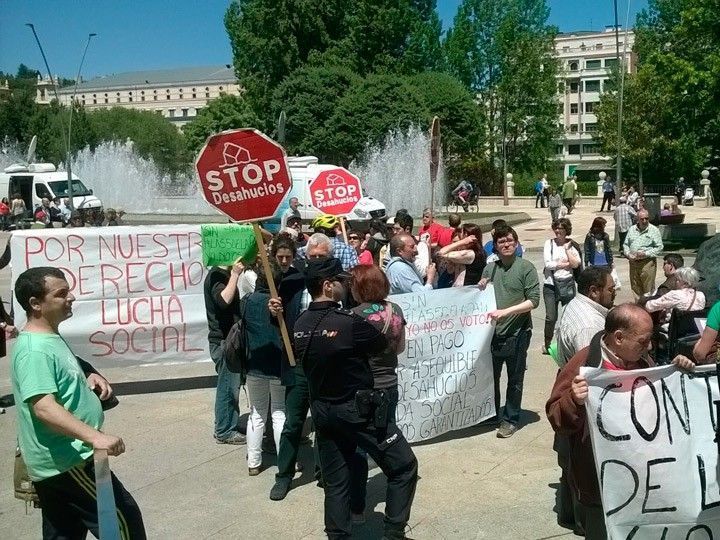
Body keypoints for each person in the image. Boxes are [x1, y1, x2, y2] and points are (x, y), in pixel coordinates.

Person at [11, 267, 146, 538]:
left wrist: (88, 372)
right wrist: (95, 437)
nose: (70, 297)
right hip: (70, 460)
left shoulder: (48, 337)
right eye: (61, 294)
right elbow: (43, 407)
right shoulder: (34, 351)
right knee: (123, 524)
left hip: (57, 462)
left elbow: (60, 369)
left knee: (63, 532)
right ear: (35, 304)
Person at [294, 257, 418, 539]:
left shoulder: (300, 323)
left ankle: (337, 535)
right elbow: (379, 345)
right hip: (356, 411)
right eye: (339, 281)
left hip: (323, 411)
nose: (344, 285)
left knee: (336, 481)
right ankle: (394, 531)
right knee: (404, 465)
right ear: (327, 285)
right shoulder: (347, 322)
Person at [547, 304, 694, 538]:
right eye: (643, 341)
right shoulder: (585, 362)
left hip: (643, 482)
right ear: (618, 338)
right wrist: (573, 400)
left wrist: (679, 373)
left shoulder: (643, 361)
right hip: (600, 487)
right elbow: (556, 417)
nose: (650, 346)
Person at [267, 233, 333, 501]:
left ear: (329, 257)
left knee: (325, 423)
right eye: (312, 256)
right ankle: (283, 477)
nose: (316, 261)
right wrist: (273, 311)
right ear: (305, 255)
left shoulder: (338, 284)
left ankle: (324, 472)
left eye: (322, 257)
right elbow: (279, 322)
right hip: (298, 365)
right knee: (294, 424)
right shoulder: (292, 281)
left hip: (328, 367)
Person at [477, 224, 540, 438]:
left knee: (515, 378)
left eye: (510, 240)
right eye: (501, 241)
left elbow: (533, 301)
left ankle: (511, 418)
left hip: (518, 332)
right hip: (493, 334)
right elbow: (480, 298)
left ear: (517, 242)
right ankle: (492, 414)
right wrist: (480, 286)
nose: (506, 244)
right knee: (491, 376)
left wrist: (506, 312)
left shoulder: (526, 268)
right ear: (494, 246)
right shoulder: (490, 268)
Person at [243, 263, 286, 476]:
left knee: (257, 413)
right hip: (277, 364)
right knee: (279, 412)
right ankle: (285, 460)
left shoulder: (246, 302)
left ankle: (253, 461)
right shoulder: (278, 303)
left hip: (254, 364)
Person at [203, 259, 248, 445]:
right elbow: (223, 300)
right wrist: (235, 275)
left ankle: (228, 423)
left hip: (228, 340)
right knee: (227, 387)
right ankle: (224, 430)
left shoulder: (222, 274)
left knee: (232, 385)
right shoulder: (216, 275)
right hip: (224, 342)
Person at [555, 267, 616, 367]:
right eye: (611, 290)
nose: (615, 294)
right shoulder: (590, 327)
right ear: (594, 291)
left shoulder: (574, 303)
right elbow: (591, 371)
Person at [542, 218, 581, 353]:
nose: (558, 231)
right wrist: (564, 264)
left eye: (561, 229)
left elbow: (576, 264)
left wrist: (567, 250)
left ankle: (566, 344)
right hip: (551, 285)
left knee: (568, 317)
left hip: (568, 283)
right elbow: (548, 264)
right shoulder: (549, 243)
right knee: (551, 317)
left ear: (566, 230)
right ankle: (547, 343)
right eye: (556, 228)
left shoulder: (572, 245)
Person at [644, 266, 705, 332]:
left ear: (686, 283)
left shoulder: (675, 294)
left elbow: (649, 307)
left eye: (677, 280)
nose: (675, 282)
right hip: (694, 330)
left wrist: (647, 298)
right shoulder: (701, 295)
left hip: (675, 330)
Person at [623, 209, 664, 298]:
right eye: (642, 219)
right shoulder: (632, 229)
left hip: (647, 263)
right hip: (633, 263)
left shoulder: (654, 230)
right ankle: (638, 308)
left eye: (647, 218)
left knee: (648, 290)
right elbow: (626, 244)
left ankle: (648, 309)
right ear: (638, 219)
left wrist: (646, 253)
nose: (644, 221)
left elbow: (659, 247)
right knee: (635, 288)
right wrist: (628, 254)